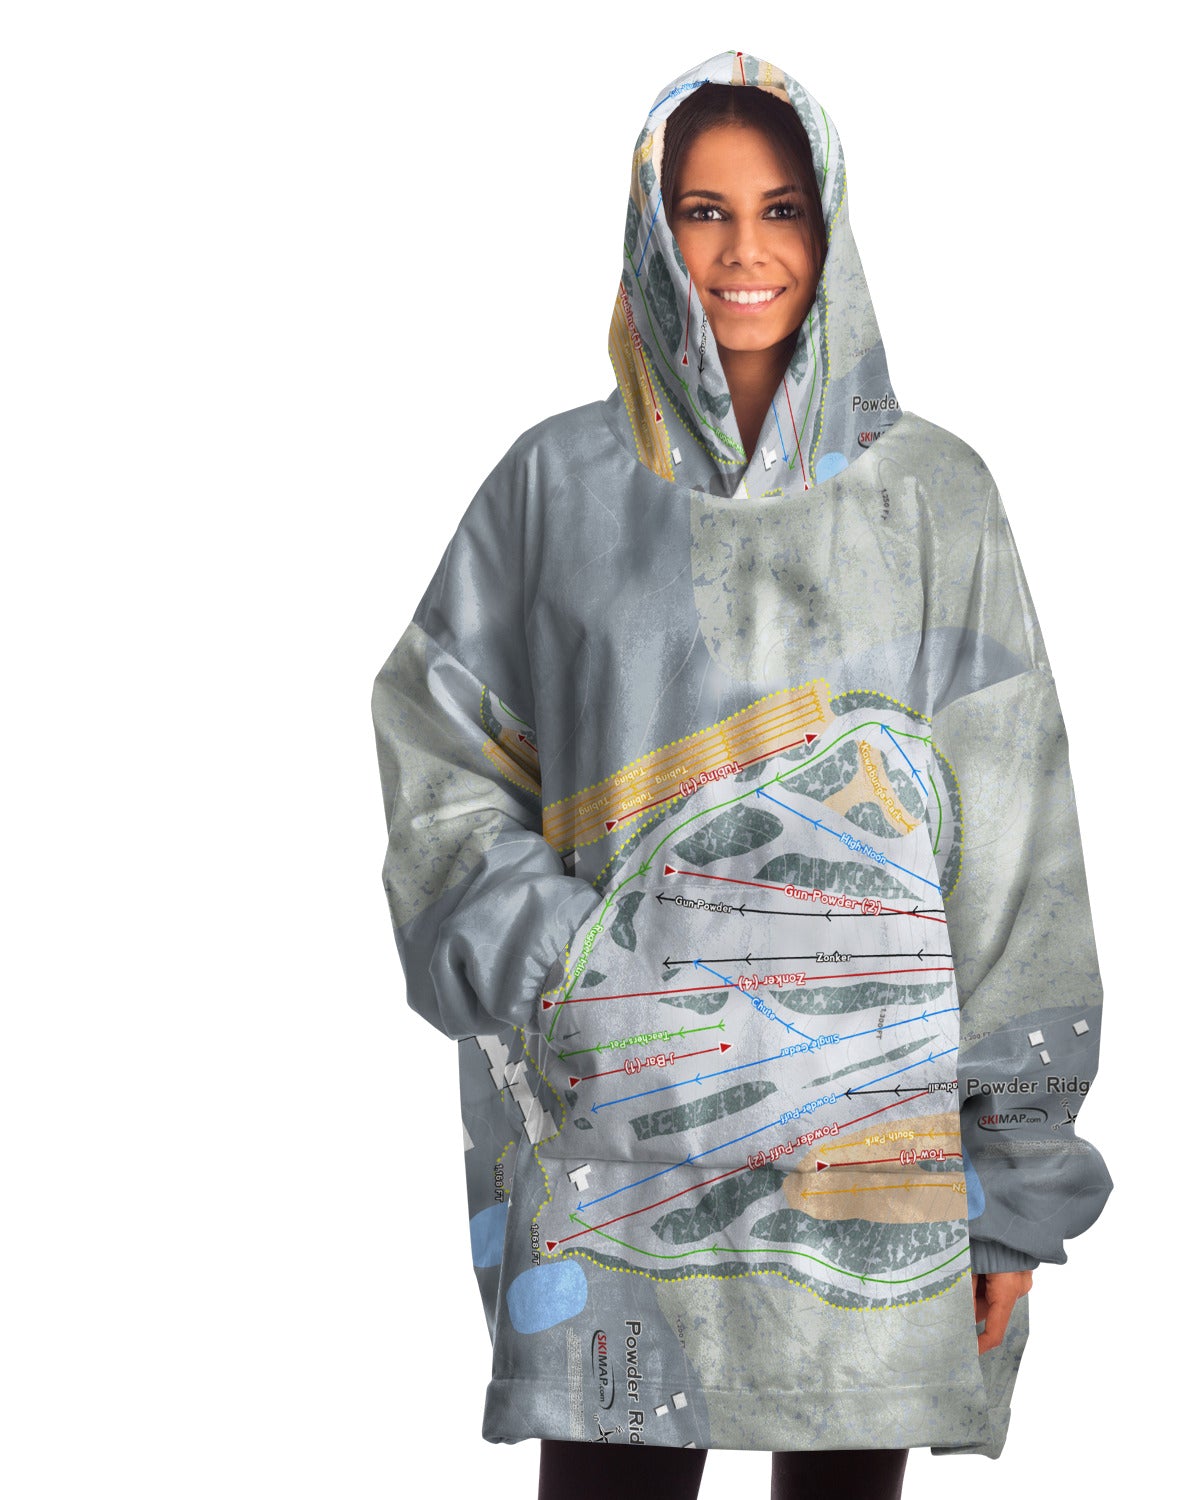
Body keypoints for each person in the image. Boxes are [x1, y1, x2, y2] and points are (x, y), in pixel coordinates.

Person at [371, 50, 1112, 1499]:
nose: (744, 251)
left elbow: (1019, 844)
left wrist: (1014, 1186)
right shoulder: (556, 487)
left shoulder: (937, 496)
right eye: (703, 212)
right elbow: (441, 742)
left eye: (780, 208)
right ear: (653, 232)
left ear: (829, 226)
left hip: (876, 1167)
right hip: (615, 1145)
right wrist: (565, 963)